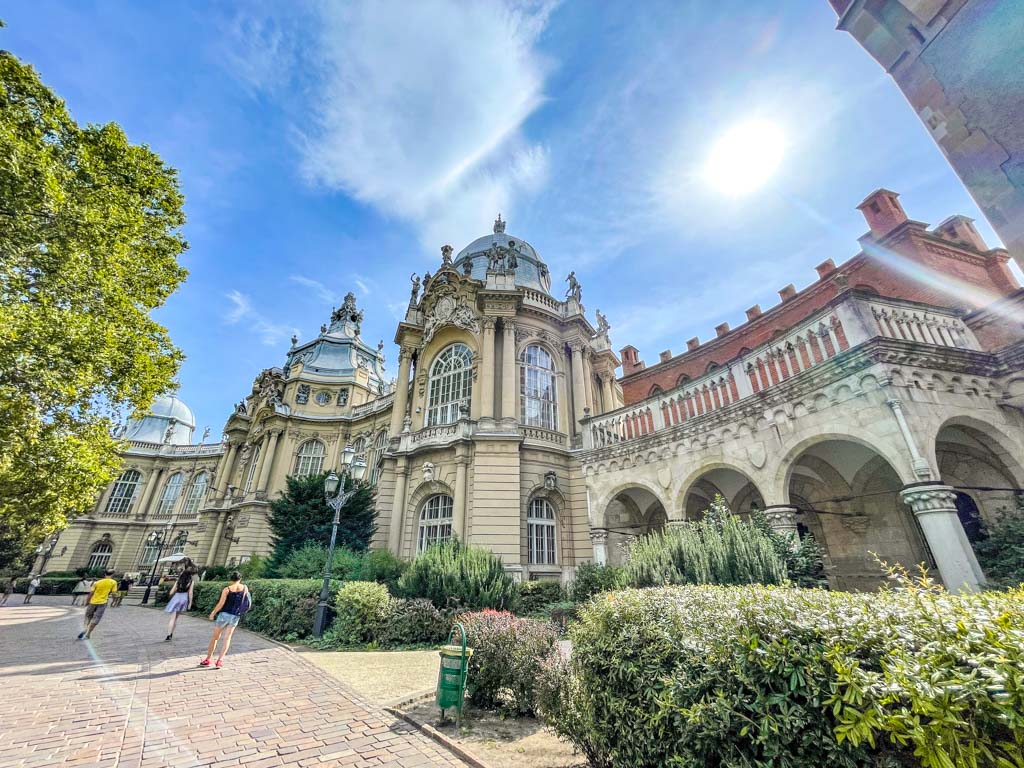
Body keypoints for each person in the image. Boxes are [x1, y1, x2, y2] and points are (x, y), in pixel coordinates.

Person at [199, 572, 250, 668]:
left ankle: (208, 659)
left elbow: (221, 603)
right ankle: (219, 661)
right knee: (227, 638)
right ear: (240, 579)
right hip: (235, 615)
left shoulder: (227, 589)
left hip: (224, 615)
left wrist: (213, 613)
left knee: (215, 638)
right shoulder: (245, 588)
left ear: (231, 579)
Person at [77, 569, 118, 640]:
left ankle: (85, 628)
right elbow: (114, 593)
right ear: (113, 575)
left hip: (93, 602)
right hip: (103, 602)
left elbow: (91, 593)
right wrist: (114, 600)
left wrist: (87, 601)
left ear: (105, 574)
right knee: (96, 618)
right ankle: (88, 633)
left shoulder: (97, 582)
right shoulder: (113, 582)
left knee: (88, 616)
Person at [163, 568, 194, 641]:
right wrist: (190, 603)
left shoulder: (178, 581)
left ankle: (168, 635)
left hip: (177, 597)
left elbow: (171, 592)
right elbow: (190, 593)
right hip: (184, 598)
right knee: (176, 618)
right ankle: (171, 633)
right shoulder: (191, 581)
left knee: (172, 619)